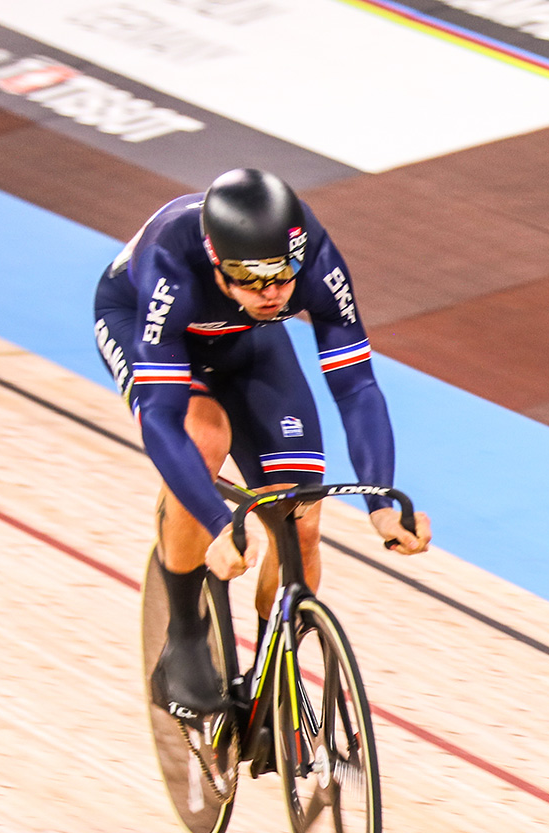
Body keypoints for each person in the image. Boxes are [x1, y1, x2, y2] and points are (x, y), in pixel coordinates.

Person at [94, 167, 431, 721]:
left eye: (282, 278)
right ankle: (182, 634)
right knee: (202, 439)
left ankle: (278, 671)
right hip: (144, 326)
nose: (273, 294)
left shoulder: (315, 258)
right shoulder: (171, 265)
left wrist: (381, 504)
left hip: (245, 338)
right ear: (218, 266)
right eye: (252, 282)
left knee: (300, 515)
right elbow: (159, 416)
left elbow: (356, 384)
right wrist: (217, 522)